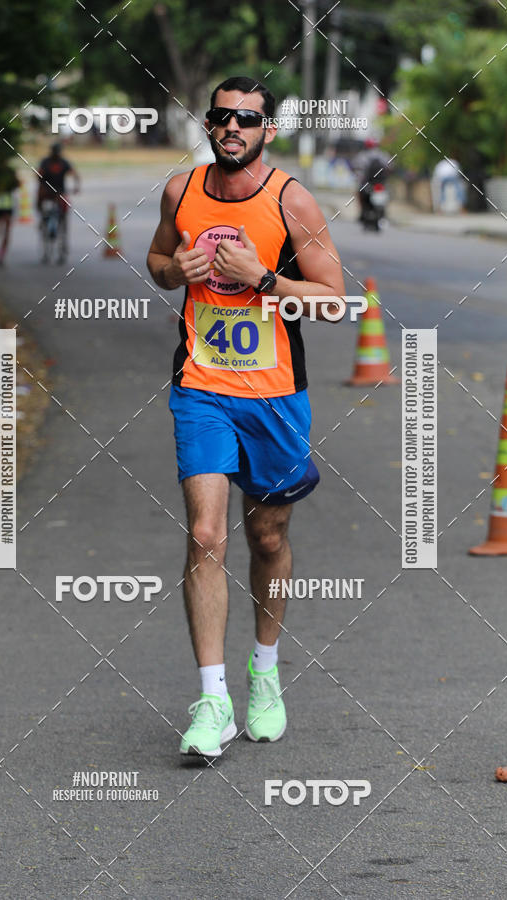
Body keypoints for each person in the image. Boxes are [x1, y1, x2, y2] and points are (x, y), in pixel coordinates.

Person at [146, 76, 345, 758]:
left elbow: (331, 299)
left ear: (268, 130)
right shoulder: (183, 190)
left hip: (275, 394)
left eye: (248, 119)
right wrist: (178, 266)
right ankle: (211, 700)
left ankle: (265, 673)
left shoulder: (292, 200)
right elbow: (156, 263)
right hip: (200, 384)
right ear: (209, 123)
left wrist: (264, 278)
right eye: (223, 116)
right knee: (206, 534)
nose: (233, 127)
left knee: (266, 539)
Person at [36, 142, 81, 257]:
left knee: (64, 212)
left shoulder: (62, 162)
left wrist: (76, 187)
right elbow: (38, 175)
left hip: (59, 193)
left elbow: (75, 174)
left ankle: (62, 237)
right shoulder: (47, 162)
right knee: (41, 203)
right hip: (48, 193)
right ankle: (43, 220)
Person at [352, 138, 390, 221]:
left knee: (359, 193)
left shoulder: (362, 156)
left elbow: (356, 168)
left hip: (368, 183)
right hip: (381, 182)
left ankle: (361, 212)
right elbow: (390, 167)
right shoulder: (383, 155)